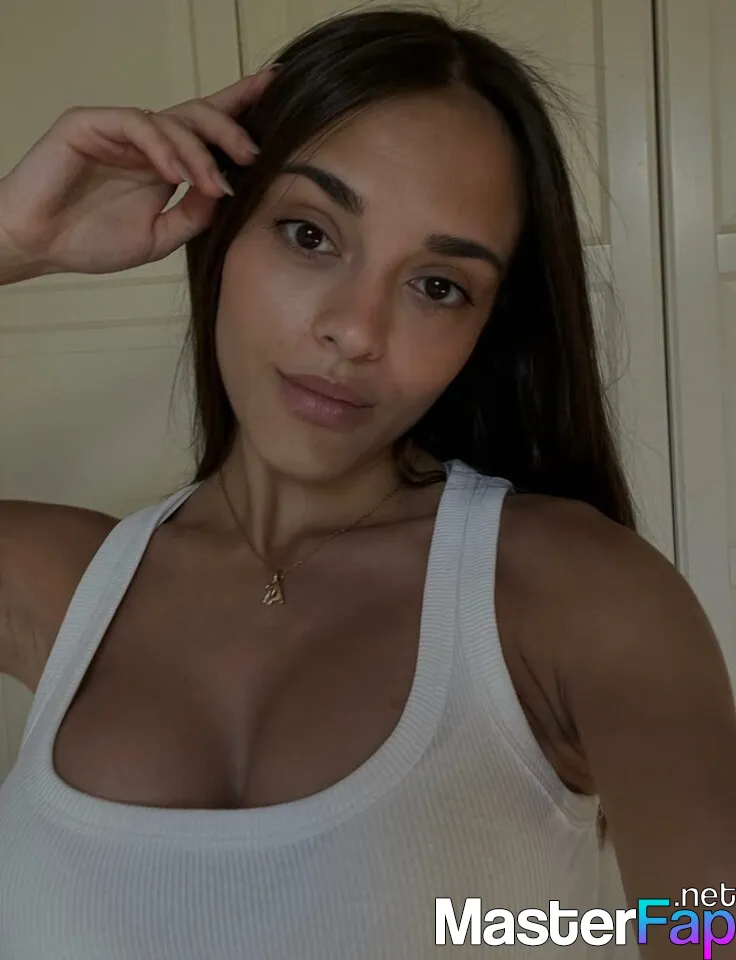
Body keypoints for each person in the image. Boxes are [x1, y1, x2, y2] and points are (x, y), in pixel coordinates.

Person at [0, 7, 733, 959]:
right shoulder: (61, 585)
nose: (355, 330)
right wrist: (13, 241)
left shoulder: (577, 599)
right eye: (309, 233)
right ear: (222, 230)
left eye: (438, 286)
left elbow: (709, 928)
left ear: (484, 329)